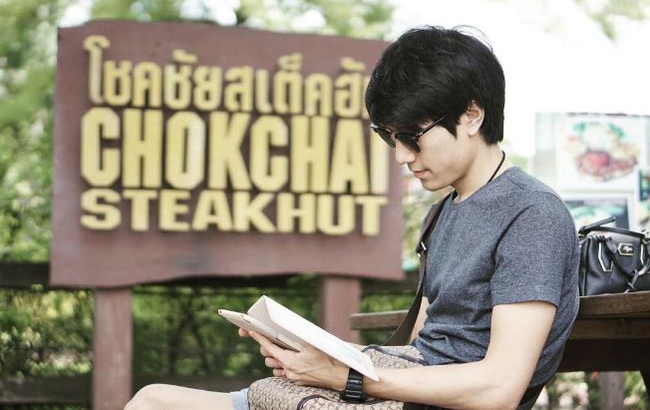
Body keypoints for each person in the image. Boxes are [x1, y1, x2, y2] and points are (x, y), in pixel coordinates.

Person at [125, 25, 579, 410]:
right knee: (152, 400)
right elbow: (422, 348)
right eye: (389, 138)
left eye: (412, 137)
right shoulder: (444, 212)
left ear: (472, 116)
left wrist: (346, 377)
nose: (401, 156)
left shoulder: (532, 214)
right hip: (400, 388)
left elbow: (500, 386)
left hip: (427, 400)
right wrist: (313, 352)